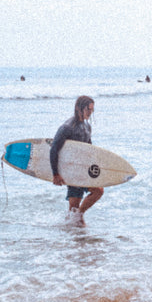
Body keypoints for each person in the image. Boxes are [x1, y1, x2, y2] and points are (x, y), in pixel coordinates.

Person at [51, 95, 104, 224]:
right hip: (71, 170)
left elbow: (89, 148)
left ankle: (72, 225)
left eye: (92, 110)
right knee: (74, 209)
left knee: (97, 191)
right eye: (88, 110)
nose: (90, 113)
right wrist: (56, 174)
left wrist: (95, 167)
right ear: (78, 108)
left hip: (83, 169)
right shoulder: (67, 127)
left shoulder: (87, 126)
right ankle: (72, 231)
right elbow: (54, 149)